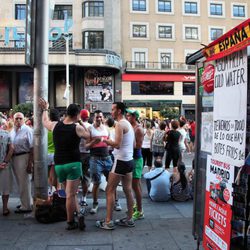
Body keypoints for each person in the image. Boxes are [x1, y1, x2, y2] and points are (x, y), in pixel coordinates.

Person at [39, 98, 89, 230]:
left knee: (69, 193)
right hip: (73, 164)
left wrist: (45, 109)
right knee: (71, 194)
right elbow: (88, 135)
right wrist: (80, 122)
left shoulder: (56, 125)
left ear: (66, 113)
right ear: (76, 115)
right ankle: (70, 222)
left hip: (59, 164)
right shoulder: (77, 128)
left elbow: (45, 122)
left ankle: (78, 213)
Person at [96, 102, 135, 230]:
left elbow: (117, 145)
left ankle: (108, 222)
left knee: (109, 190)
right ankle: (129, 219)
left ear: (119, 111)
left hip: (121, 161)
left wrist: (104, 140)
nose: (111, 111)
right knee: (128, 190)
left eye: (113, 109)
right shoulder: (128, 123)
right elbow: (133, 144)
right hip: (129, 160)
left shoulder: (120, 124)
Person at [86, 110, 113, 214]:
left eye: (100, 117)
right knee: (96, 183)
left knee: (111, 182)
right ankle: (95, 203)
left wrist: (108, 142)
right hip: (95, 159)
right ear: (94, 118)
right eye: (97, 117)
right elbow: (86, 146)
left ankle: (114, 202)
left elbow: (110, 142)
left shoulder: (106, 129)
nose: (99, 119)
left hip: (107, 158)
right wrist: (94, 141)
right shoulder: (90, 129)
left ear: (103, 118)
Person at [10, 112, 33, 213]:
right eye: (16, 119)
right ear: (13, 119)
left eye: (20, 118)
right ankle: (26, 202)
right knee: (20, 183)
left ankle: (26, 206)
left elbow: (32, 148)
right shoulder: (12, 130)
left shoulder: (27, 130)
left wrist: (30, 163)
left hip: (24, 156)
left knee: (25, 182)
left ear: (24, 119)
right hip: (15, 158)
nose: (18, 120)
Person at [126, 109, 144, 220]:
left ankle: (140, 211)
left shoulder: (138, 129)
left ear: (134, 117)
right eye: (126, 115)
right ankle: (137, 206)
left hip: (136, 159)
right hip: (132, 158)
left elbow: (138, 145)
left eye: (129, 115)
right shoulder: (131, 127)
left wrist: (125, 144)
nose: (127, 117)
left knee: (135, 186)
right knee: (136, 186)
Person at [0, 118, 14, 216]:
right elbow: (11, 148)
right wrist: (5, 161)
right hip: (4, 165)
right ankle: (5, 208)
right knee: (5, 187)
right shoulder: (6, 134)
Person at [78, 109, 91, 207]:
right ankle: (84, 198)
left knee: (75, 177)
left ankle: (74, 198)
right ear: (88, 117)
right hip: (88, 154)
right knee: (86, 177)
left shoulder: (77, 126)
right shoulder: (90, 127)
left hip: (77, 154)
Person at [47, 109, 60, 191]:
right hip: (57, 154)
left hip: (47, 154)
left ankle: (52, 191)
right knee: (56, 176)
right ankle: (55, 192)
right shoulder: (60, 126)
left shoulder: (47, 126)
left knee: (50, 175)